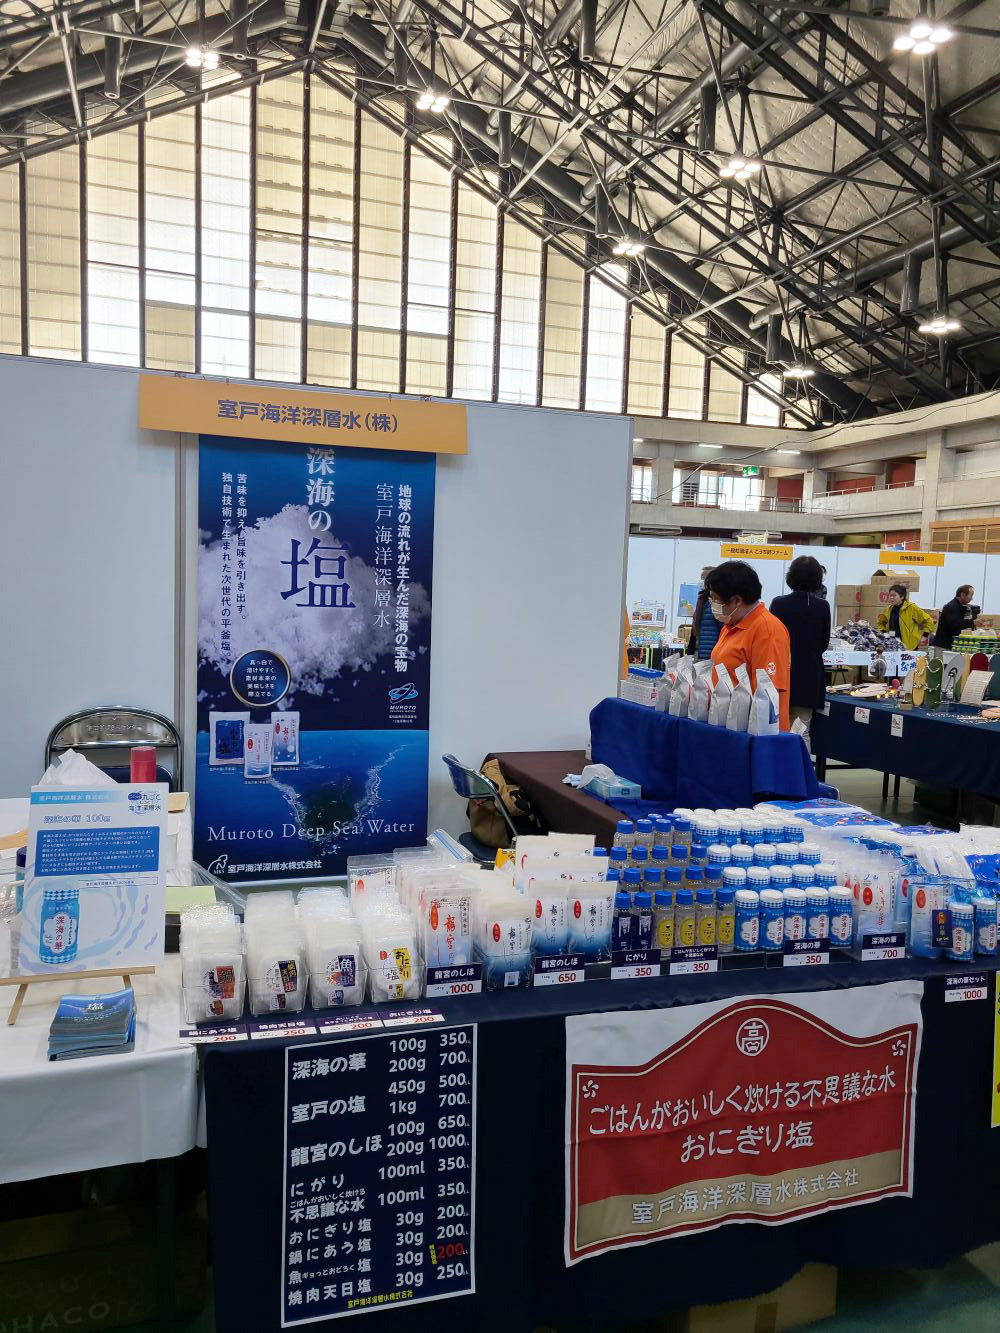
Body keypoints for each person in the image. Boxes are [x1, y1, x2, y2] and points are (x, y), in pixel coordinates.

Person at [706, 560, 791, 730]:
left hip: (752, 732)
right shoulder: (731, 625)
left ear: (737, 600)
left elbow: (767, 692)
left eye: (716, 599)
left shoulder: (767, 629)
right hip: (727, 724)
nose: (712, 604)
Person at [769, 555, 831, 732]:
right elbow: (824, 643)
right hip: (809, 674)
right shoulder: (822, 606)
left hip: (781, 671)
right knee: (801, 729)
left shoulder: (778, 604)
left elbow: (771, 638)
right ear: (818, 579)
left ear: (791, 576)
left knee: (775, 727)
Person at [876, 583, 936, 650]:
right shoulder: (888, 609)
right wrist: (883, 633)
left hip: (909, 645)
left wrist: (925, 636)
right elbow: (880, 623)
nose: (891, 597)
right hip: (892, 644)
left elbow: (928, 621)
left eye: (894, 595)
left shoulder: (911, 608)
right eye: (890, 595)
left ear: (902, 597)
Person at [686, 566, 722, 660]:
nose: (701, 581)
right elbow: (696, 627)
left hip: (712, 654)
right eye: (701, 577)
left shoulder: (716, 603)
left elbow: (722, 629)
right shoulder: (702, 600)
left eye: (703, 578)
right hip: (701, 651)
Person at [933, 584, 979, 650]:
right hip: (943, 646)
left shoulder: (960, 606)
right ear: (962, 595)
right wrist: (972, 622)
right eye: (971, 595)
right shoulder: (952, 607)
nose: (972, 599)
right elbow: (955, 624)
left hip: (949, 644)